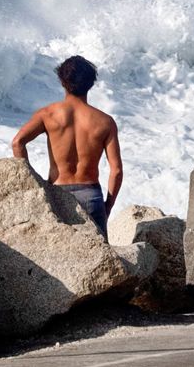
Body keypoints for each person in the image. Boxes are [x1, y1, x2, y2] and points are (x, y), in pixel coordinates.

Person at [12, 55, 122, 241]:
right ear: (90, 83)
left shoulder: (47, 114)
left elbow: (18, 143)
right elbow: (116, 171)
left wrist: (31, 182)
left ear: (62, 82)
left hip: (58, 195)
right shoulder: (105, 122)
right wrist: (108, 206)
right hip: (91, 197)